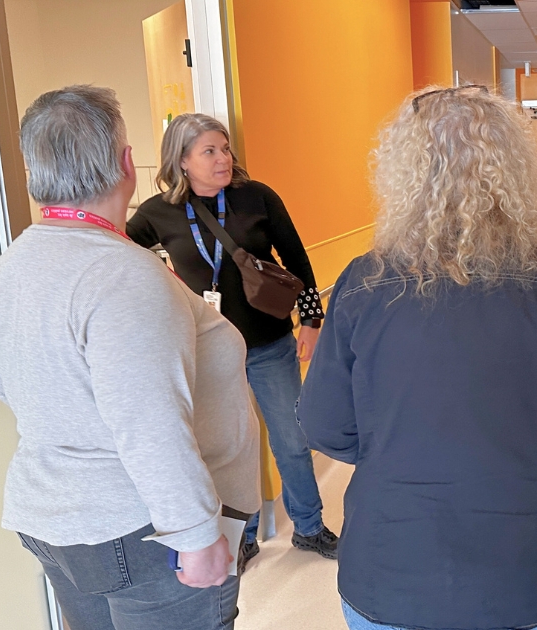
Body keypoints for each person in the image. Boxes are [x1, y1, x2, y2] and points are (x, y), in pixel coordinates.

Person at [295, 85, 537, 630]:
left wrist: (400, 445)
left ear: (403, 174)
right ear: (518, 173)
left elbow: (326, 427)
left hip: (394, 559)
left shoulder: (363, 282)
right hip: (527, 561)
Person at [0, 85, 260, 629]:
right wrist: (196, 534)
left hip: (53, 515)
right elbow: (150, 423)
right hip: (142, 532)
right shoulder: (125, 277)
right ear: (126, 163)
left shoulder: (14, 263)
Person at [127, 113, 335, 564]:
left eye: (225, 149)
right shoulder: (155, 213)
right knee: (230, 449)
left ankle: (310, 527)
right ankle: (242, 538)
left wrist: (313, 323)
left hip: (270, 344)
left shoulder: (256, 197)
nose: (223, 159)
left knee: (292, 440)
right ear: (182, 160)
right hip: (212, 352)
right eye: (210, 151)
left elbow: (297, 258)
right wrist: (163, 282)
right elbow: (123, 256)